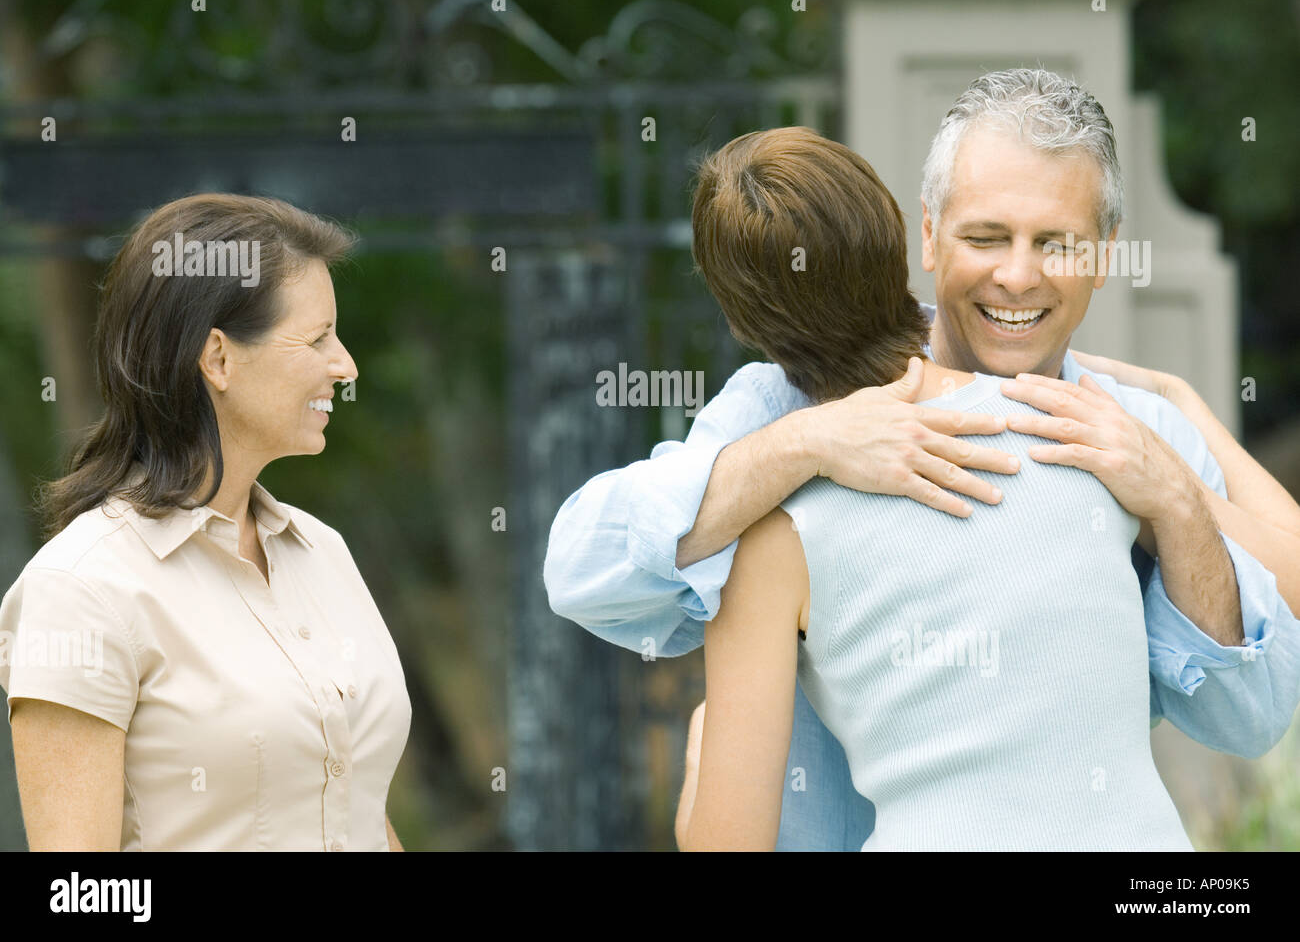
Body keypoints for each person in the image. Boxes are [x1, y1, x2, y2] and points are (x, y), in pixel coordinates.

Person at [545, 69, 1300, 851]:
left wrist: (1175, 498)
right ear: (927, 235)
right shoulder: (776, 413)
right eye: (986, 236)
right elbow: (580, 567)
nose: (1018, 274)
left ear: (1106, 253)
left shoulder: (1131, 433)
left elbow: (1251, 714)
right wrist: (811, 441)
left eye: (1055, 243)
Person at [676, 126, 1198, 849]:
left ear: (743, 321)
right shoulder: (1082, 430)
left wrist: (702, 766)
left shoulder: (770, 541)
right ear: (903, 243)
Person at [0, 194, 411, 851]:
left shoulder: (324, 553)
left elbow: (359, 809)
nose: (345, 365)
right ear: (218, 358)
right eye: (318, 338)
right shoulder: (79, 591)